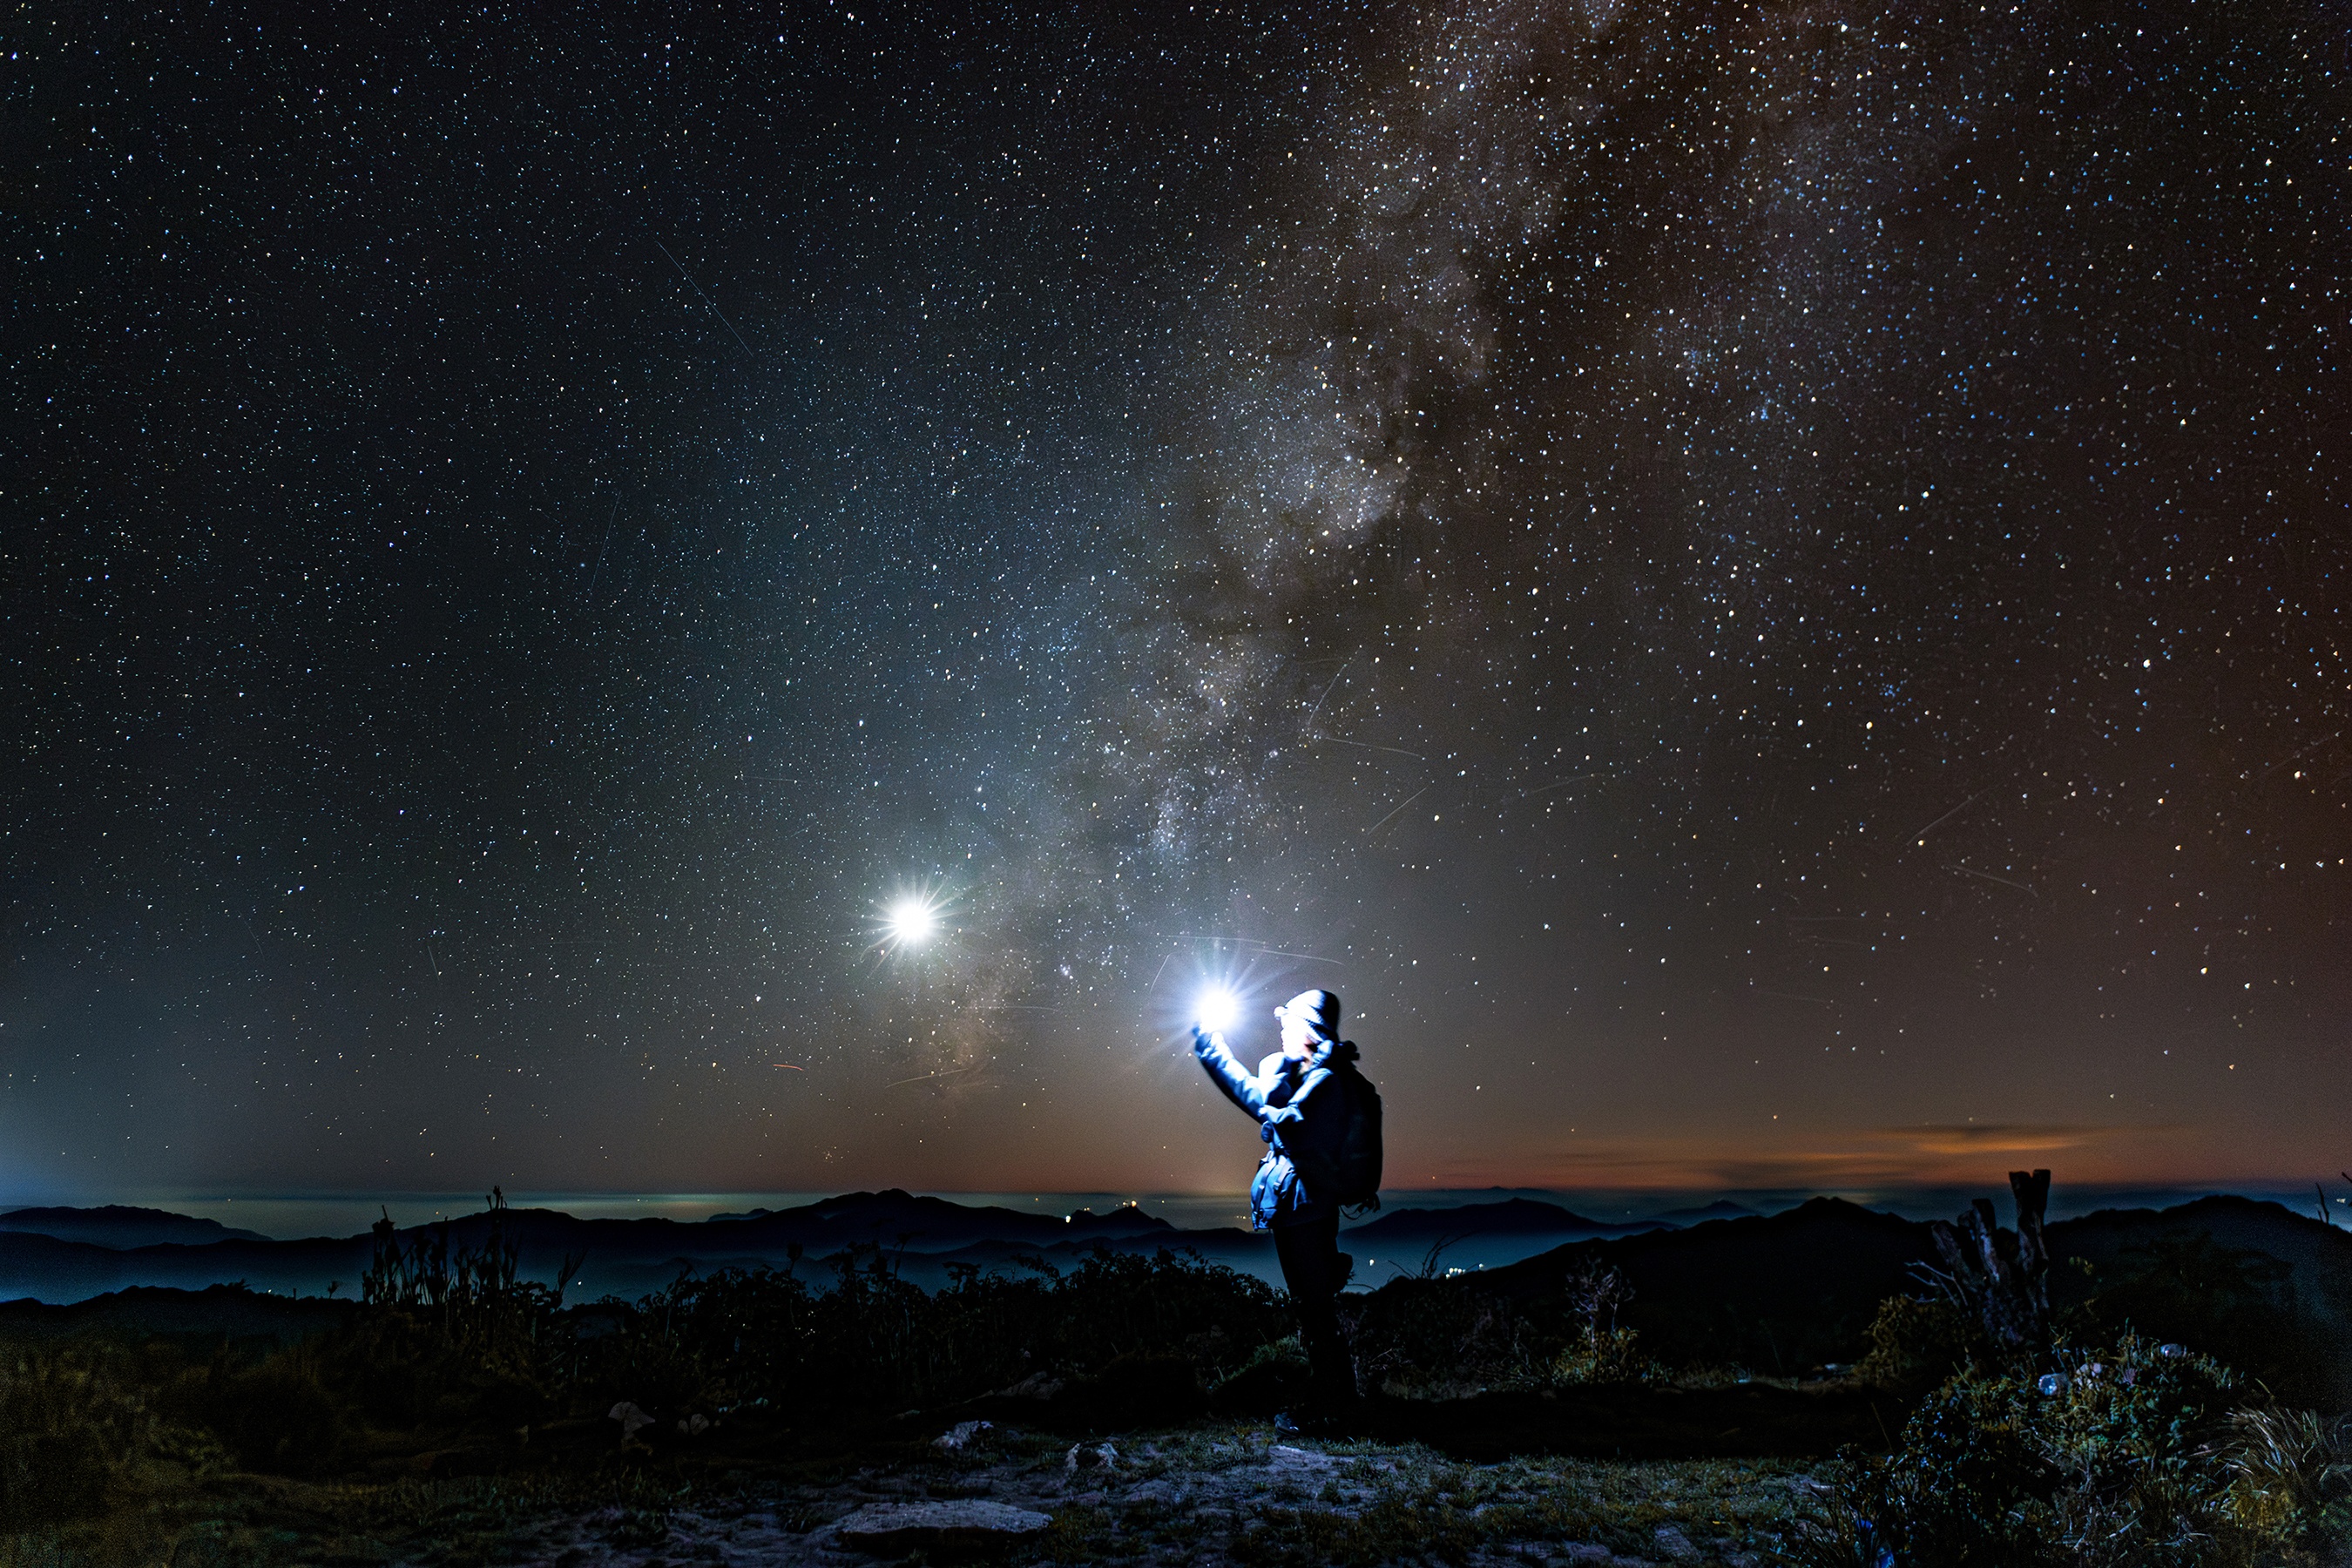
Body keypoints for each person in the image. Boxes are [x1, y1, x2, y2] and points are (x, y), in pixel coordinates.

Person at [1191, 987, 1376, 1421]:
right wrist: (1218, 1046)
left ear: (1309, 1030)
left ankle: (1332, 1409)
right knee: (1313, 1309)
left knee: (1315, 1312)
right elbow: (1266, 1100)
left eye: (1288, 1023)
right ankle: (1332, 1402)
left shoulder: (1327, 1082)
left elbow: (1282, 1116)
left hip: (1307, 1212)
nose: (1281, 1030)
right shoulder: (1312, 1076)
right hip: (1303, 1209)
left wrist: (1221, 1057)